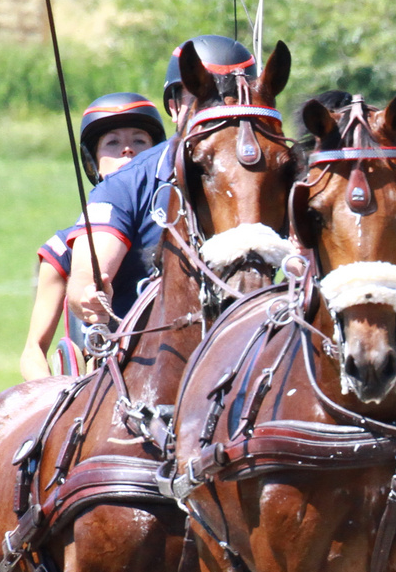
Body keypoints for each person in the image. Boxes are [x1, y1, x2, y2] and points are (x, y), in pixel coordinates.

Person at [67, 35, 259, 330]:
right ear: (173, 107)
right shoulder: (123, 185)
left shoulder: (276, 174)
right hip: (144, 352)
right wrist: (88, 292)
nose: (219, 110)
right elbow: (87, 272)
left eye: (232, 95)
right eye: (200, 97)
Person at [21, 93, 166, 381]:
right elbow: (33, 351)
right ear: (93, 163)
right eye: (113, 143)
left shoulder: (174, 228)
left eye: (139, 141)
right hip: (102, 382)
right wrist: (53, 392)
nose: (127, 150)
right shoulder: (63, 250)